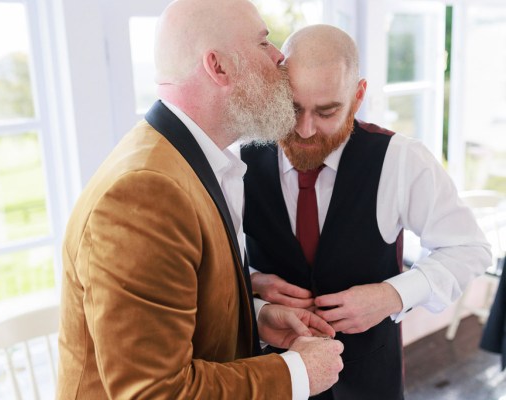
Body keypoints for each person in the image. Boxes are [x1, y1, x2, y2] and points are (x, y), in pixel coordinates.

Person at [56, 2, 344, 399]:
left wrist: (255, 318)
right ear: (218, 67)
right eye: (263, 43)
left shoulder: (193, 160)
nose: (280, 56)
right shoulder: (143, 192)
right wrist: (295, 372)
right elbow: (157, 393)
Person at [242, 24, 492, 400]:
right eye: (293, 108)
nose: (306, 130)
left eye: (327, 111)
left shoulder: (401, 160)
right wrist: (254, 291)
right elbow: (214, 271)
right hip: (269, 378)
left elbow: (470, 249)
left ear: (358, 96)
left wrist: (392, 295)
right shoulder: (237, 162)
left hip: (370, 380)